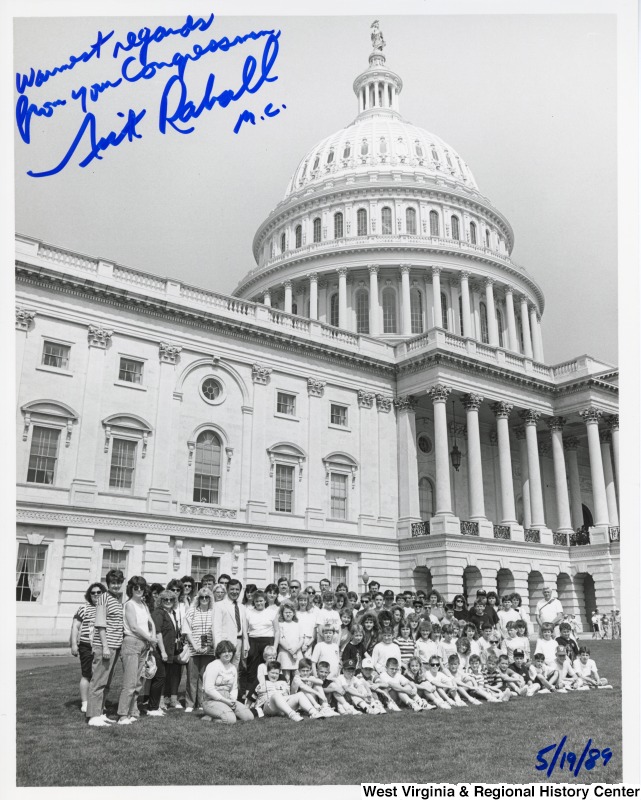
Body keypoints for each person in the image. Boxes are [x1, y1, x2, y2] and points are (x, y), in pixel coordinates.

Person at [86, 569, 125, 726]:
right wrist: (105, 646)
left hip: (115, 645)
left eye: (118, 582)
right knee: (98, 681)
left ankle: (100, 712)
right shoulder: (103, 598)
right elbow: (101, 624)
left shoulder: (116, 599)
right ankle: (93, 716)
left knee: (107, 681)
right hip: (104, 645)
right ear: (108, 584)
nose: (116, 585)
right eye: (113, 583)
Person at [117, 576, 157, 724]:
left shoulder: (144, 605)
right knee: (130, 682)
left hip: (144, 644)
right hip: (132, 642)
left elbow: (150, 621)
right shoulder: (129, 605)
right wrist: (150, 638)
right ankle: (122, 714)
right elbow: (133, 626)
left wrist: (151, 636)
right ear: (131, 589)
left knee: (138, 681)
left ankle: (132, 711)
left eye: (141, 587)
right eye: (136, 588)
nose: (139, 590)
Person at [70, 582, 106, 713]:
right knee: (86, 674)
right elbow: (75, 626)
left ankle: (97, 701)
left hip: (102, 645)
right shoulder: (83, 608)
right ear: (89, 595)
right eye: (93, 593)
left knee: (100, 675)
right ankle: (85, 703)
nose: (96, 595)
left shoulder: (105, 608)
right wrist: (74, 644)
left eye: (99, 592)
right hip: (86, 645)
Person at [201, 640, 254, 723]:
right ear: (219, 654)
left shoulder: (233, 668)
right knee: (230, 720)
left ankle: (222, 713)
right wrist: (225, 701)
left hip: (228, 699)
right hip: (211, 700)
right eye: (224, 652)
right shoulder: (213, 666)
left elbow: (234, 688)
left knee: (249, 717)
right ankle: (211, 716)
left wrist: (232, 700)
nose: (227, 654)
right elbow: (208, 689)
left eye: (229, 651)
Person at [183, 587, 215, 712]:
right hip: (193, 649)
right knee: (192, 677)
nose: (204, 599)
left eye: (207, 597)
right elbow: (186, 630)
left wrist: (210, 645)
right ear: (198, 598)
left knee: (205, 677)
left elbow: (216, 631)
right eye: (202, 597)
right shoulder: (192, 611)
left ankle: (202, 703)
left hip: (209, 650)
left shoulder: (214, 612)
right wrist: (196, 646)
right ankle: (190, 704)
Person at [151, 589, 180, 713]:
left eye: (171, 599)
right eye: (165, 599)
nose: (168, 601)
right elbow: (158, 633)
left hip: (169, 651)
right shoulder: (159, 613)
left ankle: (156, 704)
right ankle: (154, 706)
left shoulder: (171, 613)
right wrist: (163, 651)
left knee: (162, 678)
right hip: (160, 651)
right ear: (160, 601)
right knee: (159, 679)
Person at [244, 590, 277, 697]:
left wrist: (274, 647)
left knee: (269, 667)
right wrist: (246, 644)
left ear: (265, 601)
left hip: (268, 641)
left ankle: (269, 692)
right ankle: (250, 694)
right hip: (253, 641)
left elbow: (277, 631)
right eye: (257, 601)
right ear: (254, 601)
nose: (259, 603)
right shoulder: (249, 612)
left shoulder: (271, 612)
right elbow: (245, 630)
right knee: (252, 669)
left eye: (261, 601)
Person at [213, 578, 249, 670]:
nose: (234, 592)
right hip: (225, 643)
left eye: (237, 589)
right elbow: (216, 629)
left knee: (234, 670)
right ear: (227, 590)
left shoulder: (242, 607)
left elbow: (244, 629)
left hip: (239, 642)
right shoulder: (219, 605)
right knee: (223, 670)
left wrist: (245, 644)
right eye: (232, 589)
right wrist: (218, 648)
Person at [275, 601, 303, 683]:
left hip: (297, 653)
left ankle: (295, 694)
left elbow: (301, 639)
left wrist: (295, 649)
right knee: (286, 678)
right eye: (286, 612)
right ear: (282, 613)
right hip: (285, 654)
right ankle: (286, 694)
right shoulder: (280, 624)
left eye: (290, 612)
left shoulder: (297, 624)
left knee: (297, 678)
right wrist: (290, 650)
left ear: (294, 613)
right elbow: (280, 639)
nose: (288, 614)